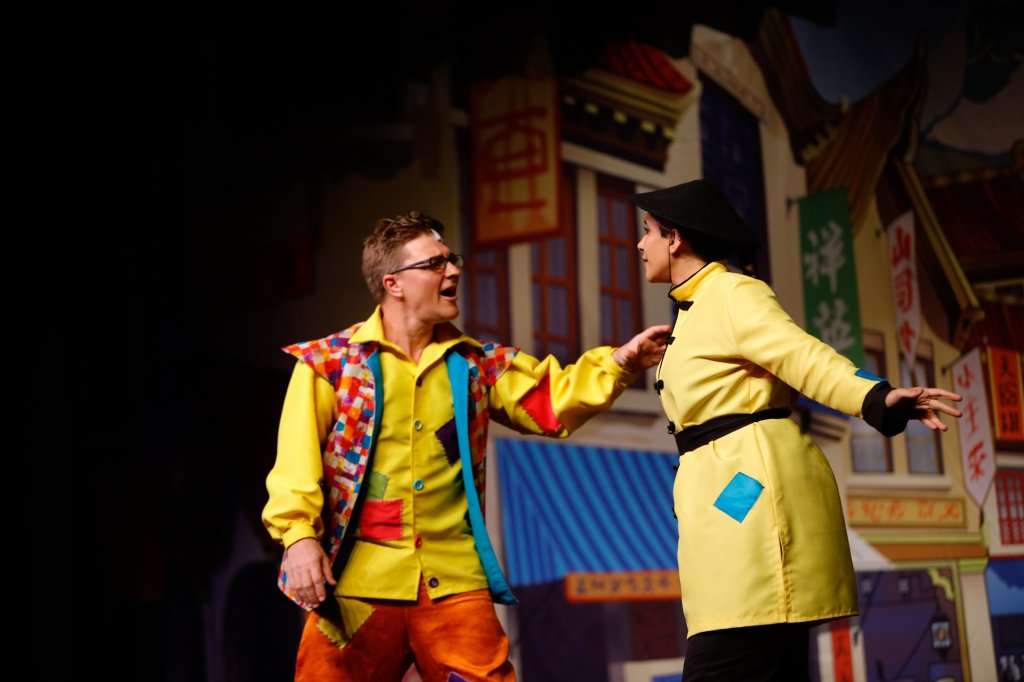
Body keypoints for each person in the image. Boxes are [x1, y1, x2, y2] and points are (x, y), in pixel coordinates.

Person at [262, 210, 670, 681]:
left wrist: (620, 363)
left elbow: (549, 402)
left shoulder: (477, 365)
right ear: (393, 284)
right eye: (434, 263)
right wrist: (299, 537)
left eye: (451, 258)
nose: (453, 270)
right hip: (358, 584)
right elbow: (295, 465)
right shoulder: (328, 364)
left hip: (453, 582)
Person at [631, 179, 962, 681]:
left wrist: (876, 397)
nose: (640, 244)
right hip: (731, 492)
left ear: (675, 239)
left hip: (748, 492)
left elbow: (801, 355)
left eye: (648, 231)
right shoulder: (695, 308)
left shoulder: (732, 293)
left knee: (730, 648)